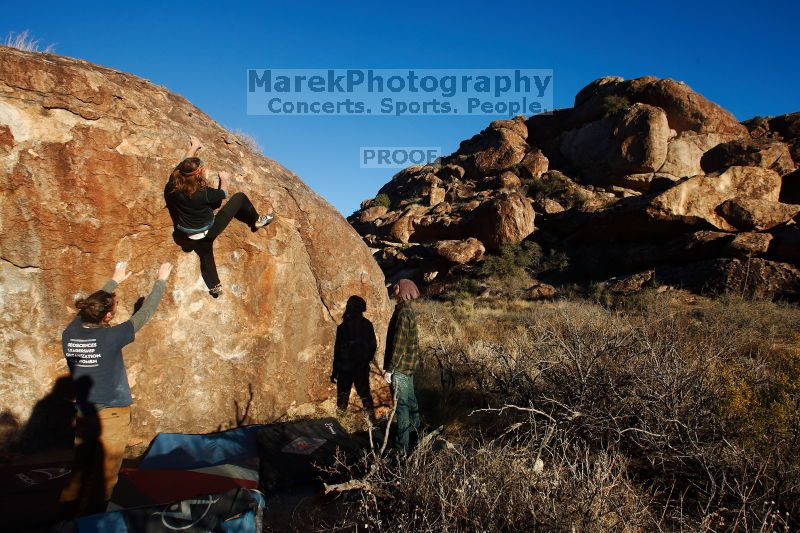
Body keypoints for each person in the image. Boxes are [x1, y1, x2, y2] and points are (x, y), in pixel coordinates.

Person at [59, 260, 172, 517]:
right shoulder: (110, 337)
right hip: (111, 414)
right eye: (114, 307)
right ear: (107, 317)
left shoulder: (70, 333)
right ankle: (95, 521)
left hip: (85, 412)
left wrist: (114, 280)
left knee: (81, 468)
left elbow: (86, 310)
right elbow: (144, 314)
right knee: (106, 475)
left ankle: (64, 515)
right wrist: (160, 281)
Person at [164, 135, 274, 298]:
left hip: (187, 233)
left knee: (205, 252)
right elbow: (224, 194)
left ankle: (214, 286)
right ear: (199, 174)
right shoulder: (205, 194)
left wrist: (194, 146)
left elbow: (182, 166)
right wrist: (224, 179)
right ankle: (257, 220)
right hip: (209, 229)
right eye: (203, 168)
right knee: (240, 197)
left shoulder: (173, 186)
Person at [382, 279, 422, 452]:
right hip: (408, 367)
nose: (394, 288)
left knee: (402, 408)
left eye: (397, 286)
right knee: (411, 403)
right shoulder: (407, 311)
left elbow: (398, 346)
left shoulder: (403, 313)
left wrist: (390, 370)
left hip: (400, 369)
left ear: (402, 290)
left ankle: (401, 448)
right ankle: (415, 437)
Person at [331, 296, 377, 422]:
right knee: (365, 397)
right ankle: (372, 423)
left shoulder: (342, 328)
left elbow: (337, 352)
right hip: (361, 368)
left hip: (345, 369)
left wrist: (335, 372)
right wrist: (366, 361)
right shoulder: (367, 325)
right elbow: (373, 346)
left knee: (342, 399)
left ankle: (340, 424)